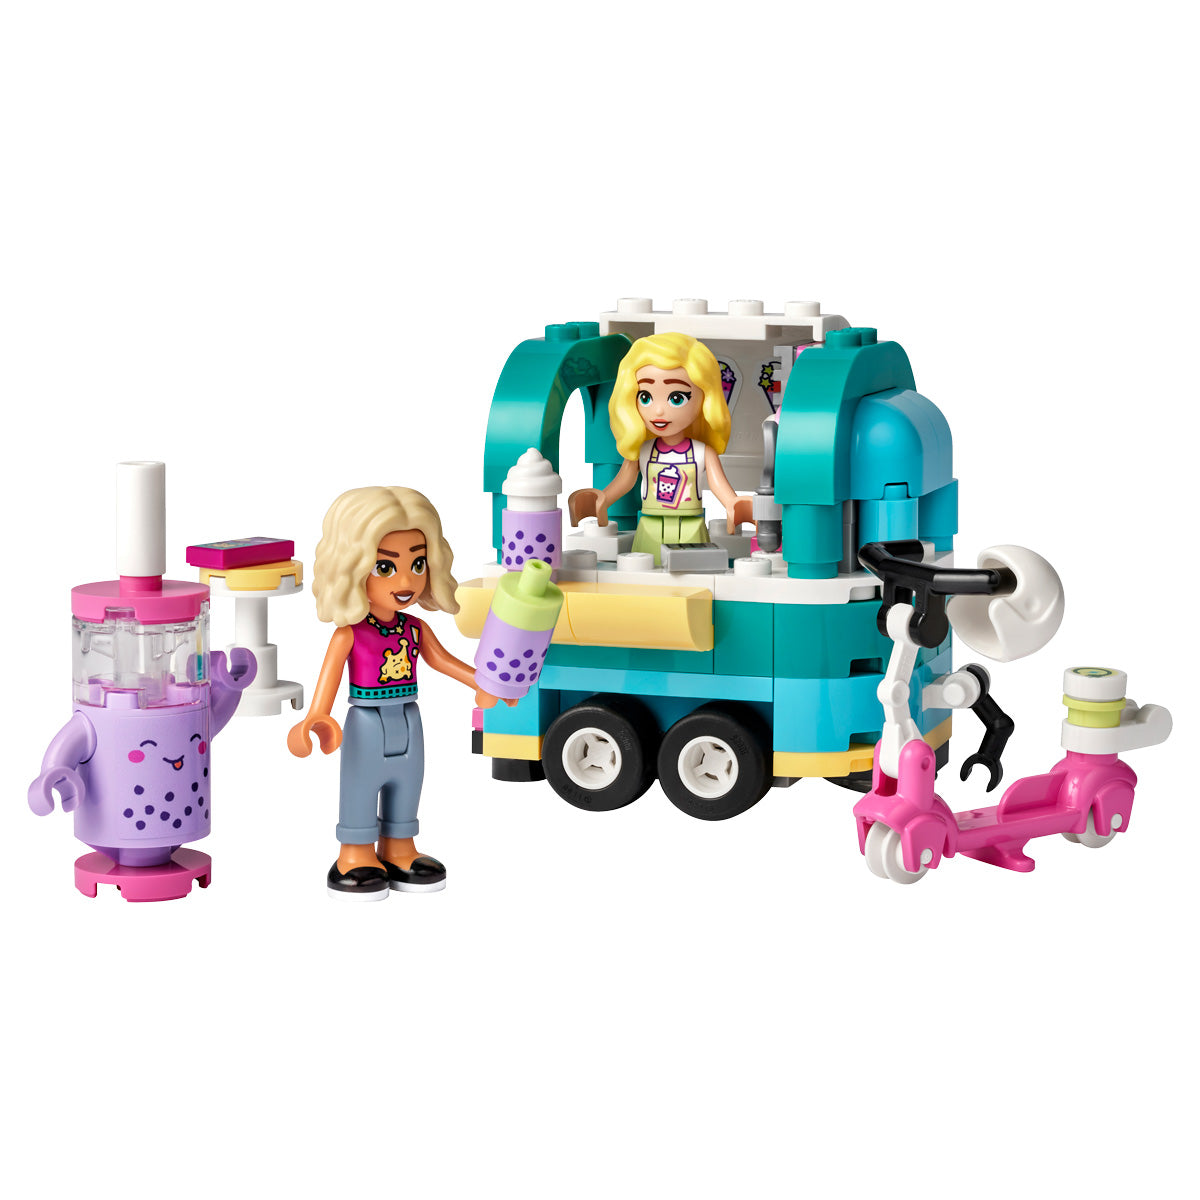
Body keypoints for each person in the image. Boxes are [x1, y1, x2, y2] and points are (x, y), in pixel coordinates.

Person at [288, 486, 500, 901]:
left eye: (417, 564)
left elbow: (443, 661)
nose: (406, 582)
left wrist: (484, 683)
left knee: (408, 780)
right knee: (359, 784)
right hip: (366, 721)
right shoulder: (349, 634)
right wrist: (317, 716)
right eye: (385, 567)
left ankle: (399, 847)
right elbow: (330, 677)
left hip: (408, 717)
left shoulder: (415, 629)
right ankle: (354, 853)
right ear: (350, 567)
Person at [568, 332, 754, 564]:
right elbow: (625, 480)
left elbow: (718, 485)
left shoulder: (702, 452)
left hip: (690, 527)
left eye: (676, 398)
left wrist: (732, 504)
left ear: (705, 398)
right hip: (650, 526)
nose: (658, 411)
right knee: (644, 570)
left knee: (691, 572)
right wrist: (603, 498)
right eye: (645, 397)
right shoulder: (643, 451)